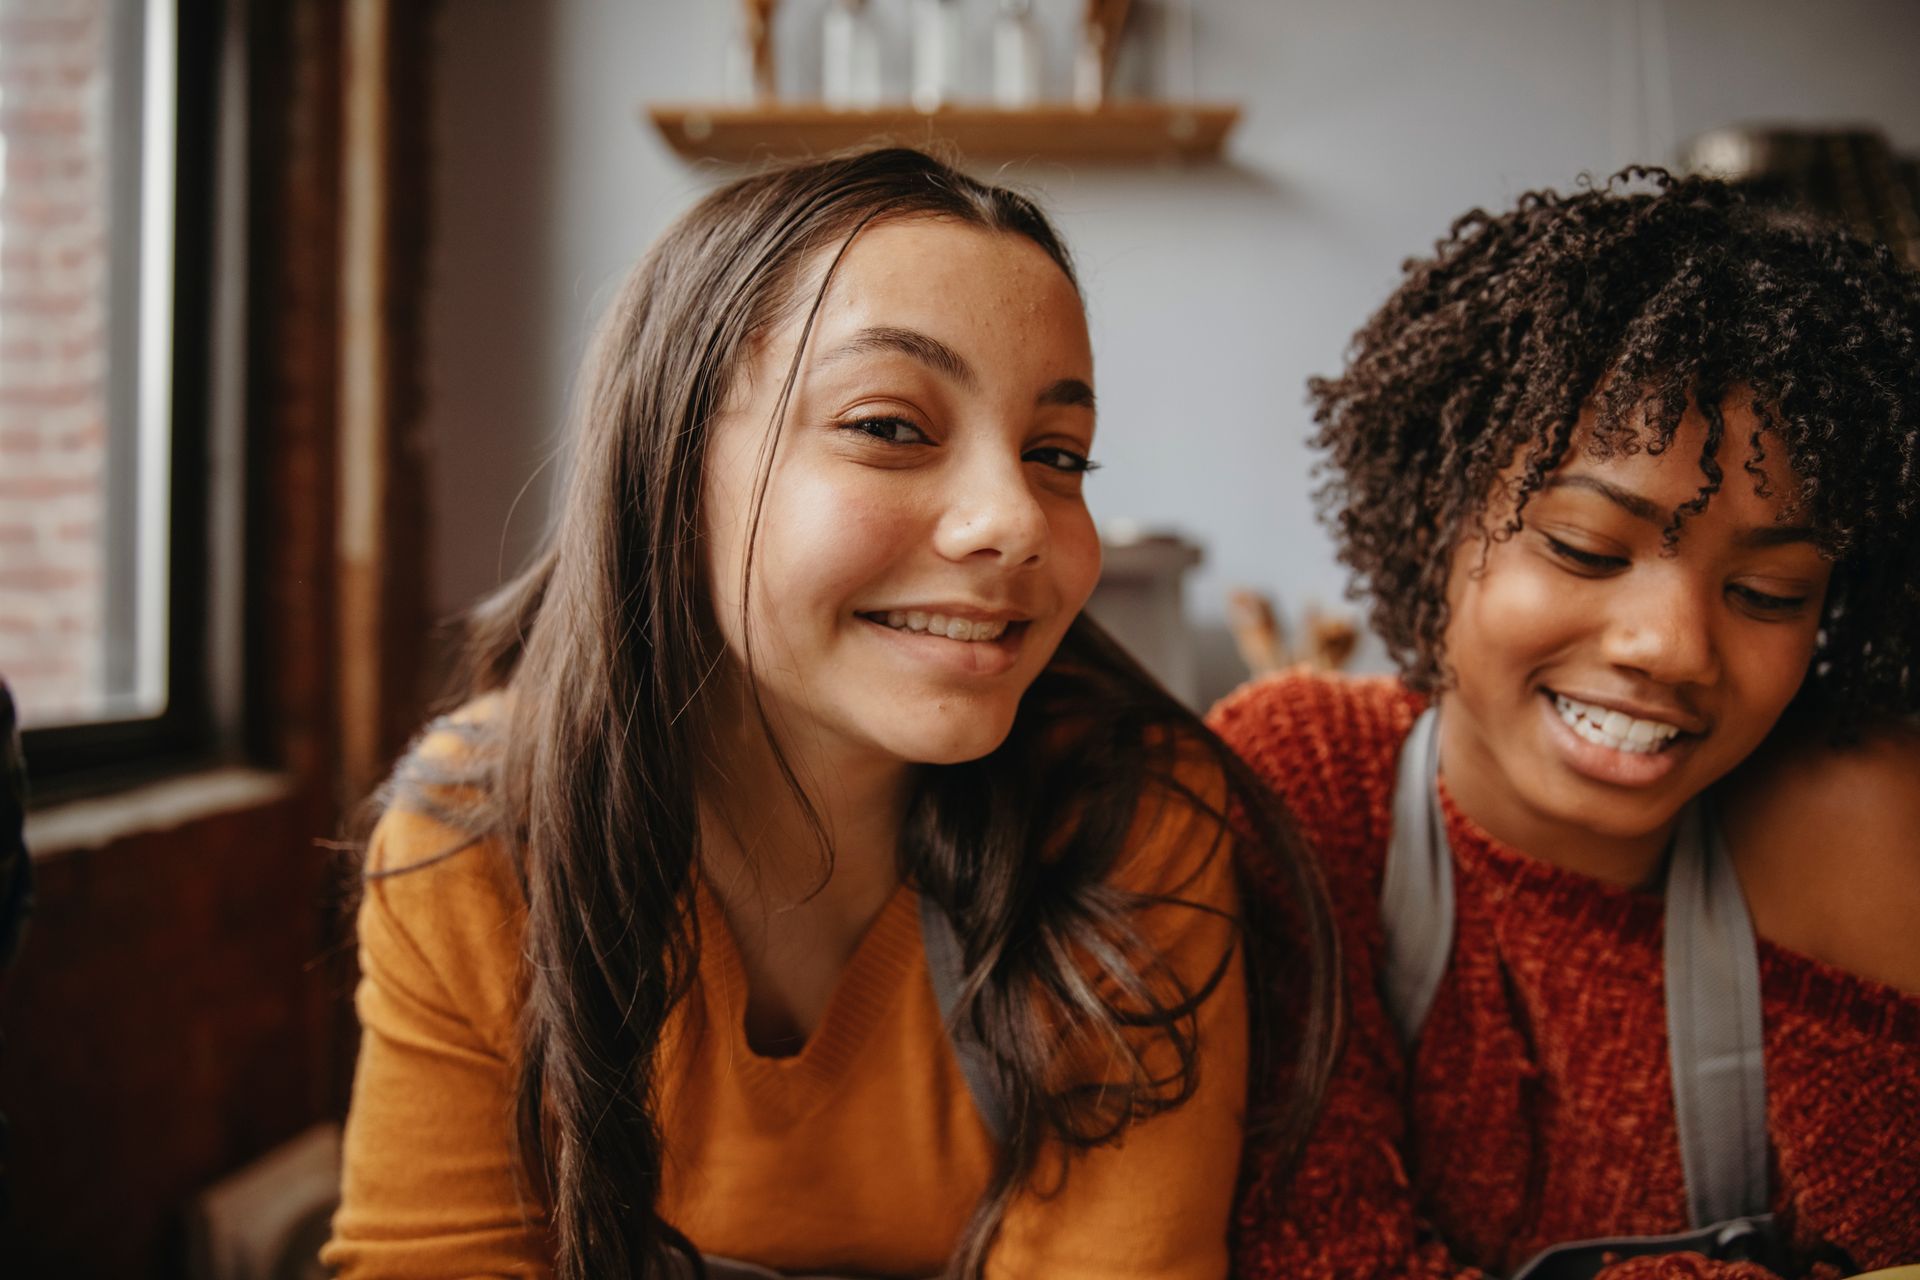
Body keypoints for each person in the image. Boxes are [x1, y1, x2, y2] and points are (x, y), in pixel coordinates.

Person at [320, 148, 1339, 1280]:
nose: (1017, 519)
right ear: (669, 458)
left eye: (1058, 454)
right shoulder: (477, 835)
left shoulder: (1122, 820)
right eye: (890, 426)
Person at [1215, 170, 1920, 1279]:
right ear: (1431, 517)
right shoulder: (1302, 781)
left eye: (1772, 592)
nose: (1672, 645)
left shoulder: (1853, 825)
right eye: (1587, 548)